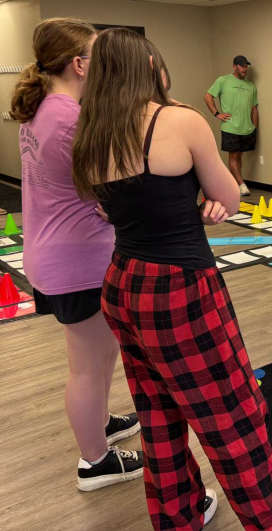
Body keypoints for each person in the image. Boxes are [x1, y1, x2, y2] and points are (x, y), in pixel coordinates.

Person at [72, 28, 272, 531]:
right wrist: (202, 200)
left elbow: (123, 212)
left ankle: (179, 516)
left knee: (158, 414)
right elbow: (232, 193)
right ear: (150, 66)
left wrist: (186, 210)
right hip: (178, 289)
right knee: (234, 418)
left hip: (122, 284)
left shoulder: (91, 133)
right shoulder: (178, 120)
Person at [10, 18, 142, 492]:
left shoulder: (45, 109)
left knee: (96, 355)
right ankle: (96, 462)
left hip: (56, 256)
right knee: (88, 365)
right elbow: (113, 193)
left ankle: (99, 423)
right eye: (97, 55)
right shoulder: (70, 118)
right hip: (77, 261)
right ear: (81, 64)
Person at [204, 55, 258, 197]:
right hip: (230, 126)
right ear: (234, 66)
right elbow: (208, 96)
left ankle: (235, 184)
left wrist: (254, 127)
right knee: (233, 155)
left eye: (246, 66)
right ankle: (241, 184)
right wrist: (217, 113)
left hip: (246, 128)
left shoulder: (251, 86)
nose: (244, 69)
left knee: (239, 156)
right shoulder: (223, 80)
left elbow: (254, 108)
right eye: (241, 66)